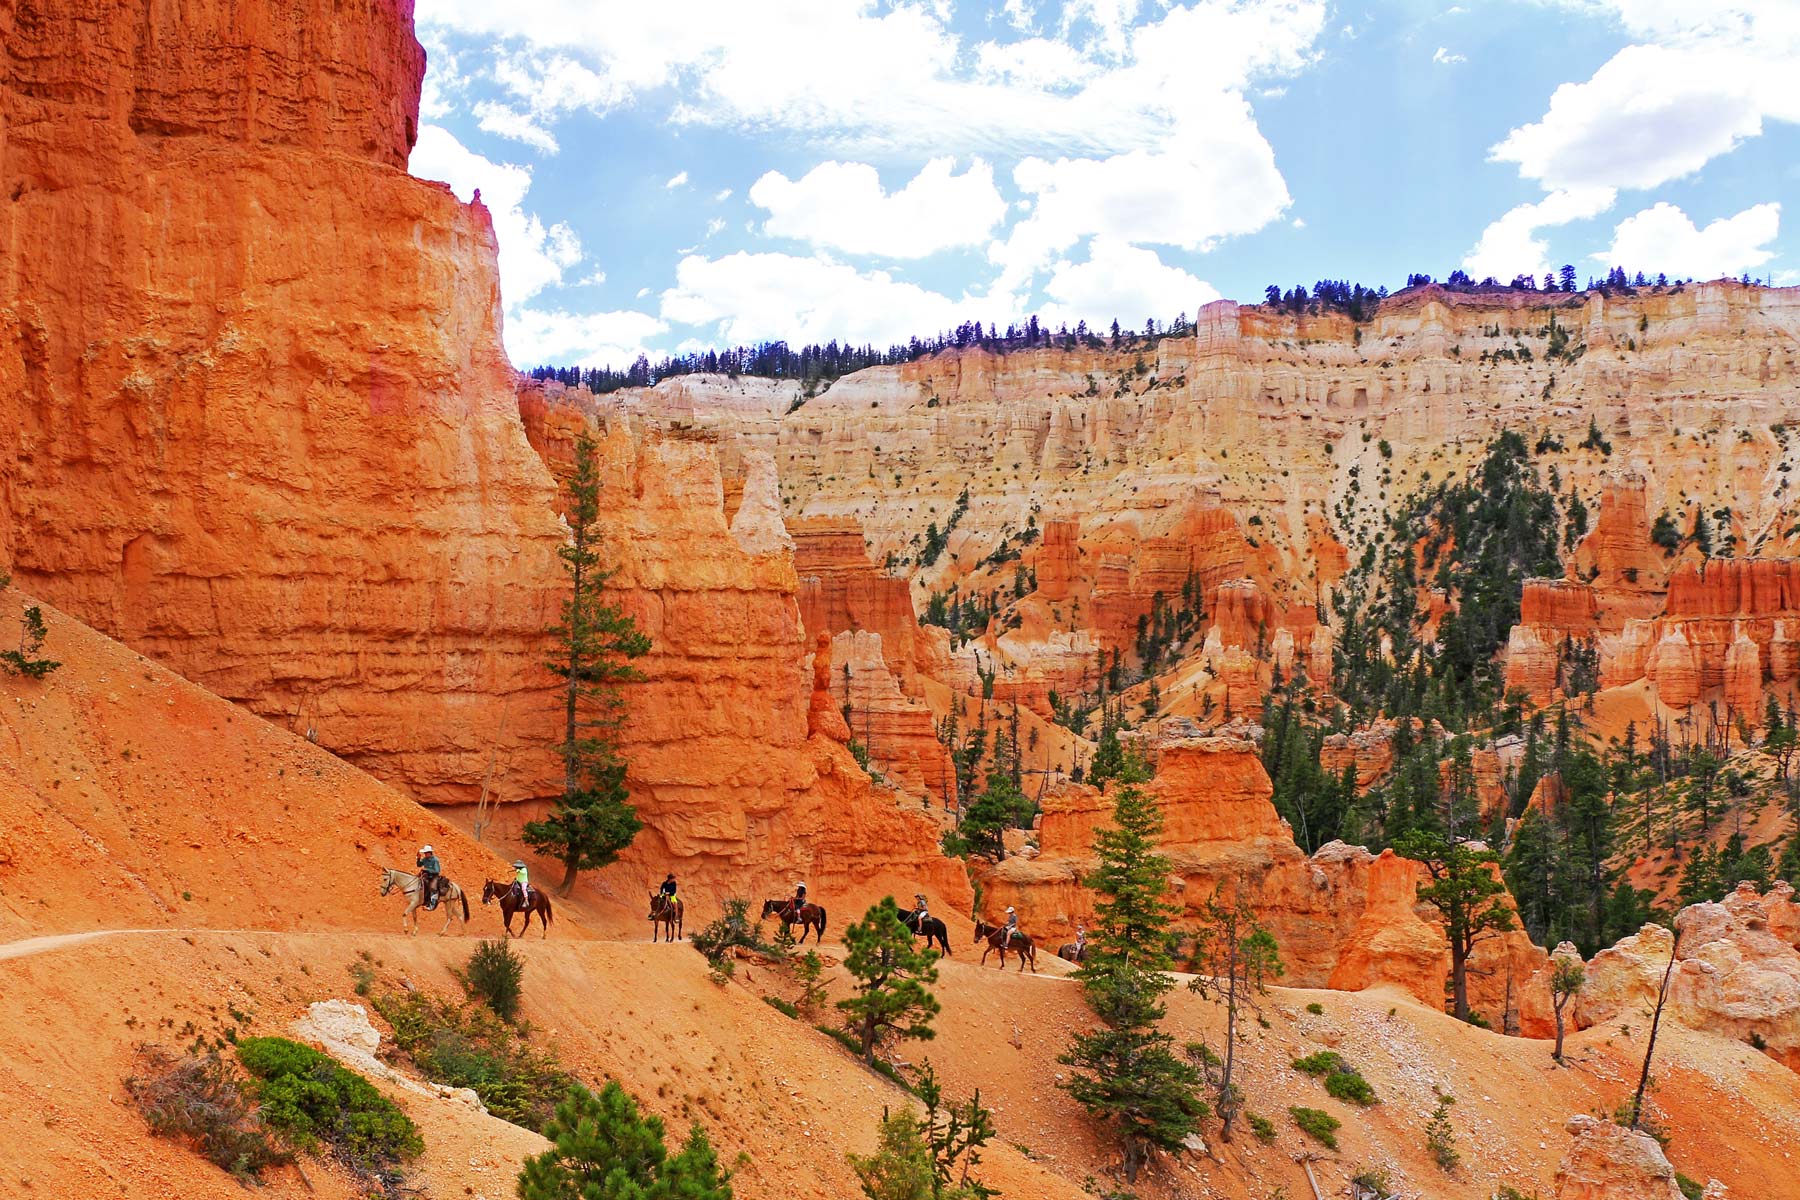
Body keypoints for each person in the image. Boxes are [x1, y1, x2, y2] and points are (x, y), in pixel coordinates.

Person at [416, 845, 442, 909]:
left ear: (429, 853)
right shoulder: (425, 859)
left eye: (425, 853)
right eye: (424, 853)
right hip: (426, 875)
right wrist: (418, 858)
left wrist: (427, 869)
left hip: (434, 876)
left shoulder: (435, 860)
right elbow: (419, 865)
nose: (425, 854)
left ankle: (432, 905)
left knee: (432, 887)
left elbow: (437, 870)